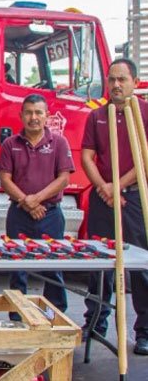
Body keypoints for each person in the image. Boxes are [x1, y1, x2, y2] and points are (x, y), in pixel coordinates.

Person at [81, 58, 148, 355]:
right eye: (112, 80)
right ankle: (96, 321)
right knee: (99, 262)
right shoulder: (96, 115)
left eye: (122, 79)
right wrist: (104, 188)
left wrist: (118, 187)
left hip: (134, 196)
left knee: (139, 266)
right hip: (103, 196)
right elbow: (87, 156)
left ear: (134, 82)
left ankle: (144, 331)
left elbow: (145, 158)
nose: (116, 85)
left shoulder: (144, 112)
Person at [0, 94, 72, 319]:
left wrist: (36, 199)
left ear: (47, 116)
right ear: (21, 116)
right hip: (19, 214)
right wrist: (27, 203)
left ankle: (54, 315)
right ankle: (17, 316)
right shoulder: (10, 144)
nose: (34, 117)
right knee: (18, 267)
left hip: (50, 215)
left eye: (39, 112)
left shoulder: (59, 143)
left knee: (53, 267)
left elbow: (64, 179)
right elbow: (5, 180)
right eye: (28, 112)